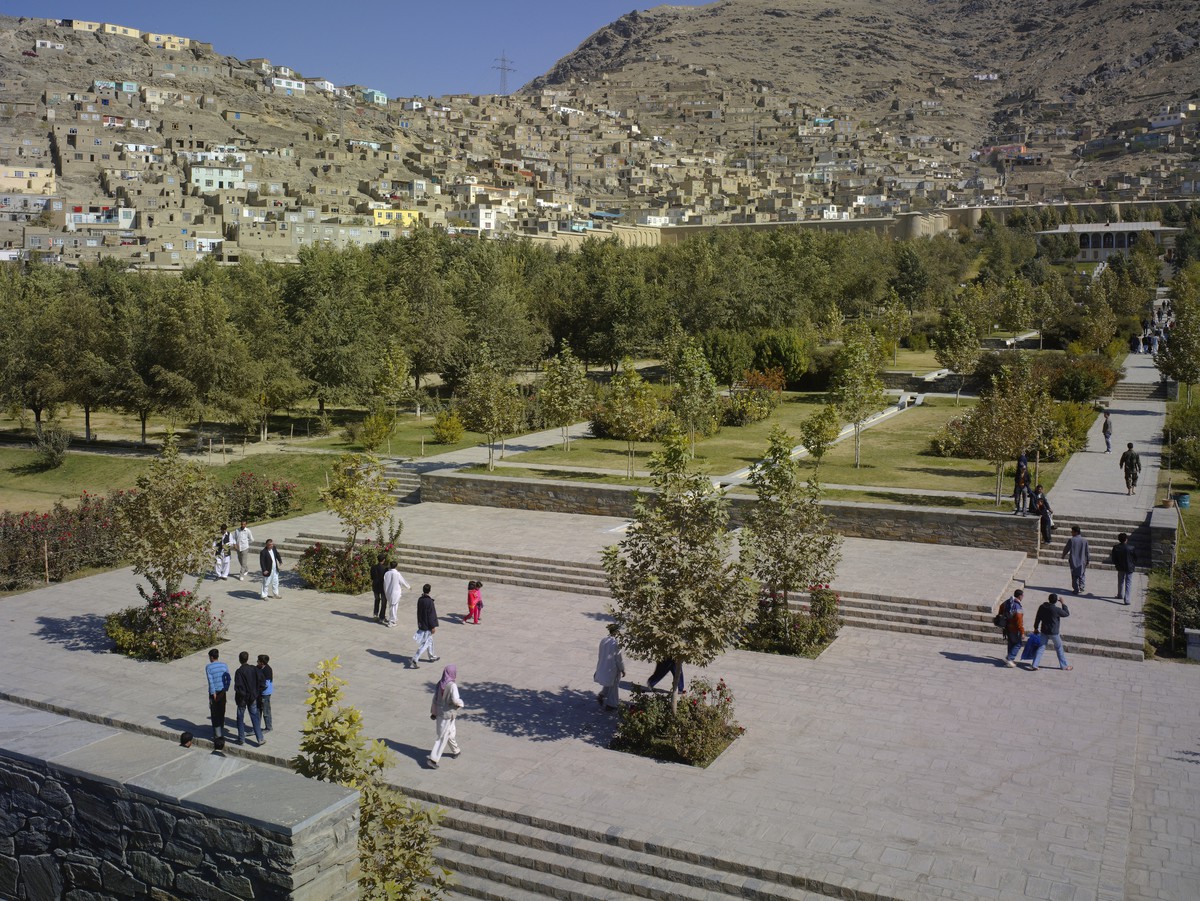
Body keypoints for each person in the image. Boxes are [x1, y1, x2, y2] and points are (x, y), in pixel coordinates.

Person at [426, 664, 464, 769]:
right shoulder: (452, 686)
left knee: (450, 733)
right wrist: (461, 704)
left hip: (439, 714)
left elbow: (435, 699)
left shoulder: (440, 683)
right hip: (448, 715)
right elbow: (456, 700)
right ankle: (433, 759)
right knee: (442, 737)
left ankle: (456, 751)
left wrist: (433, 712)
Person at [1031, 593, 1072, 672]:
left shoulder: (1042, 607)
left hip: (1044, 631)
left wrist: (1036, 628)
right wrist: (1063, 603)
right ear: (1056, 601)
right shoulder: (1056, 609)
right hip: (1054, 633)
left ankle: (1035, 665)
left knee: (1041, 647)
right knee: (1059, 648)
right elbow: (1066, 613)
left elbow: (1037, 618)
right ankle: (1064, 666)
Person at [234, 650, 266, 746]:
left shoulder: (239, 672)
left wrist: (242, 695)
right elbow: (262, 682)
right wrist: (256, 692)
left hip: (242, 699)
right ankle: (260, 738)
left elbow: (238, 687)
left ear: (240, 660)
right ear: (247, 658)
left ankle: (241, 739)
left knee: (240, 718)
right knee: (255, 717)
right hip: (252, 697)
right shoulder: (254, 669)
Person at [594, 624, 626, 708]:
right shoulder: (615, 643)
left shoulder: (604, 640)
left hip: (604, 664)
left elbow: (600, 653)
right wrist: (622, 669)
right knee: (614, 685)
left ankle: (602, 694)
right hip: (613, 667)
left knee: (609, 682)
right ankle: (611, 704)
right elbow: (618, 658)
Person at [205, 648, 230, 742]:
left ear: (211, 657)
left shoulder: (209, 667)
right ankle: (221, 731)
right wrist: (225, 689)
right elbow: (228, 678)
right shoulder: (224, 665)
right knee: (222, 712)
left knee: (214, 714)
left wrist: (213, 693)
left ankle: (217, 735)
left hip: (214, 693)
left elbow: (210, 681)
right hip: (223, 692)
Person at [413, 583, 440, 668]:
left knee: (430, 641)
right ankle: (415, 658)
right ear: (429, 591)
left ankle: (431, 656)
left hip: (422, 624)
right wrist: (433, 626)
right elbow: (431, 615)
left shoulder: (420, 600)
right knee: (426, 643)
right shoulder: (429, 602)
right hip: (427, 626)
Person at [998, 589, 1025, 668]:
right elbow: (1019, 620)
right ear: (1020, 596)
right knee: (1018, 644)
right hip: (1015, 628)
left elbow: (1001, 606)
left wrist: (1002, 616)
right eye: (1023, 595)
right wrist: (1022, 632)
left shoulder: (1008, 602)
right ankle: (1010, 658)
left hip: (1007, 627)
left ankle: (1008, 658)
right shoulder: (1018, 606)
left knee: (1011, 643)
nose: (1023, 597)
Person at [1061, 525, 1090, 595]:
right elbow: (1087, 551)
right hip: (1083, 561)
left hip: (1073, 561)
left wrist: (1063, 555)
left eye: (1072, 532)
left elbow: (1066, 549)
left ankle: (1076, 589)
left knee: (1074, 575)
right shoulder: (1085, 540)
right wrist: (1088, 560)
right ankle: (1082, 587)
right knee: (1082, 574)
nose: (1071, 533)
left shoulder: (1072, 540)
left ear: (1076, 532)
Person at [1111, 532, 1138, 605]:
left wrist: (1116, 565)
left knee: (1120, 581)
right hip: (1129, 567)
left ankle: (1120, 595)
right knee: (1128, 583)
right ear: (1126, 539)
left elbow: (1113, 558)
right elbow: (1135, 558)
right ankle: (1127, 599)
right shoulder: (1131, 548)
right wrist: (1133, 564)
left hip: (1120, 567)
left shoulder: (1115, 547)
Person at [383, 561, 411, 628]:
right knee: (394, 607)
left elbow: (385, 583)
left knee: (391, 606)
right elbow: (402, 581)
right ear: (396, 566)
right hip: (395, 593)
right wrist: (408, 586)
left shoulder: (387, 573)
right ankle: (392, 621)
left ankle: (392, 619)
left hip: (388, 592)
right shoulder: (397, 574)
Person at [257, 654, 274, 732]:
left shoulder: (267, 670)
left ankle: (268, 727)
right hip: (261, 693)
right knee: (259, 710)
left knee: (266, 711)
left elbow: (266, 684)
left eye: (258, 661)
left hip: (265, 693)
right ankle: (257, 726)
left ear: (262, 663)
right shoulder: (260, 668)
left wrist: (258, 688)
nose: (257, 662)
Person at [370, 556, 389, 623]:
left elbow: (372, 577)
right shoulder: (385, 568)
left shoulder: (373, 567)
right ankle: (382, 617)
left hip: (375, 586)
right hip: (383, 587)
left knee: (377, 600)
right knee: (384, 602)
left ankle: (375, 614)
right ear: (383, 560)